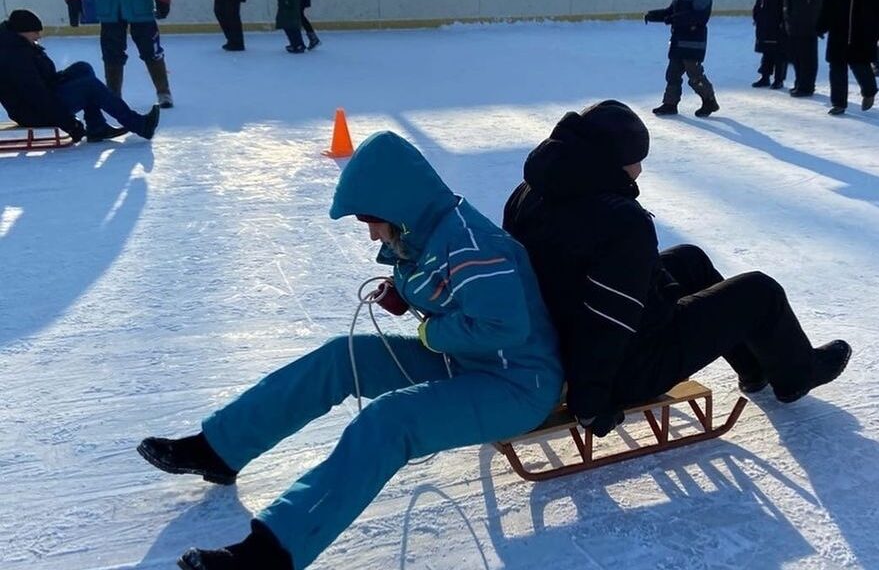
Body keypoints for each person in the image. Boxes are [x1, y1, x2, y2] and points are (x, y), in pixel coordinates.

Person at [137, 131, 563, 570]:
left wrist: (431, 335)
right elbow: (444, 286)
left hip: (516, 384)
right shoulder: (424, 232)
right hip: (468, 364)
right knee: (342, 357)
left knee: (389, 421)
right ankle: (220, 448)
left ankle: (272, 553)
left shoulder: (473, 245)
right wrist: (401, 293)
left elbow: (503, 326)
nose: (371, 234)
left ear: (398, 206)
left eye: (370, 221)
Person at [502, 100, 851, 438]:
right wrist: (591, 400)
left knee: (688, 259)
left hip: (560, 337)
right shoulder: (621, 221)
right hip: (627, 366)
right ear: (613, 162)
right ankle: (797, 375)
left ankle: (755, 367)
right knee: (760, 291)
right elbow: (606, 318)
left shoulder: (531, 193)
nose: (640, 170)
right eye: (636, 160)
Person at [0, 9, 160, 144]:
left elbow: (42, 81)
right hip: (34, 112)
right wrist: (69, 124)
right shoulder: (14, 57)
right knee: (89, 86)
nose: (38, 36)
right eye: (35, 32)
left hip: (43, 98)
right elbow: (37, 96)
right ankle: (140, 125)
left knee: (82, 68)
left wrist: (62, 79)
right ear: (22, 31)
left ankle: (97, 128)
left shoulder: (18, 46)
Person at [65, 0, 174, 108]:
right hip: (110, 10)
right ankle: (113, 95)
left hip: (140, 8)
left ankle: (163, 92)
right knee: (111, 53)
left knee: (151, 50)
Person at [645, 0, 719, 118]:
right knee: (672, 73)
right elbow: (671, 11)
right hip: (679, 39)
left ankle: (709, 100)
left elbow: (699, 15)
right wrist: (654, 15)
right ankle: (670, 103)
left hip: (693, 41)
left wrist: (674, 19)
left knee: (694, 75)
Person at [783, 0, 832, 97]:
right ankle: (800, 81)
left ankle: (807, 85)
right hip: (796, 5)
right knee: (797, 47)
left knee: (807, 48)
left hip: (809, 8)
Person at [752, 0, 793, 90]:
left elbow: (786, 1)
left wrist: (784, 19)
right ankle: (765, 76)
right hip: (765, 18)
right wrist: (756, 13)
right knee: (767, 48)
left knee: (779, 51)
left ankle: (779, 79)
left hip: (778, 19)